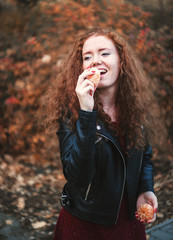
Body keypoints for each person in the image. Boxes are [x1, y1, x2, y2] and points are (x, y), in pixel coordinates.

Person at [40, 28, 161, 240]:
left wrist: (145, 188)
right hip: (86, 225)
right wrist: (86, 112)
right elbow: (78, 176)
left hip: (128, 222)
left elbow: (145, 157)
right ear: (82, 68)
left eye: (105, 53)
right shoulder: (72, 113)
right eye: (88, 57)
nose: (95, 61)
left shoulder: (134, 108)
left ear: (121, 61)